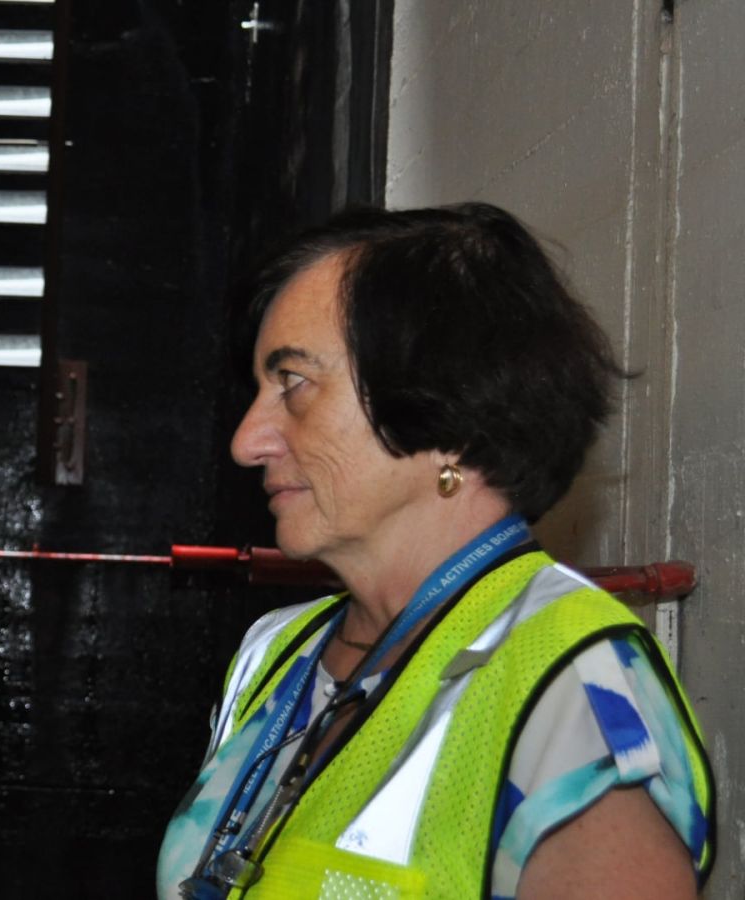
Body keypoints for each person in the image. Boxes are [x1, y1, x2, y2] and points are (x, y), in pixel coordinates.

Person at [158, 203, 713, 899]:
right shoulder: (276, 652)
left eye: (294, 383)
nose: (248, 441)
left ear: (449, 411)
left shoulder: (569, 684)